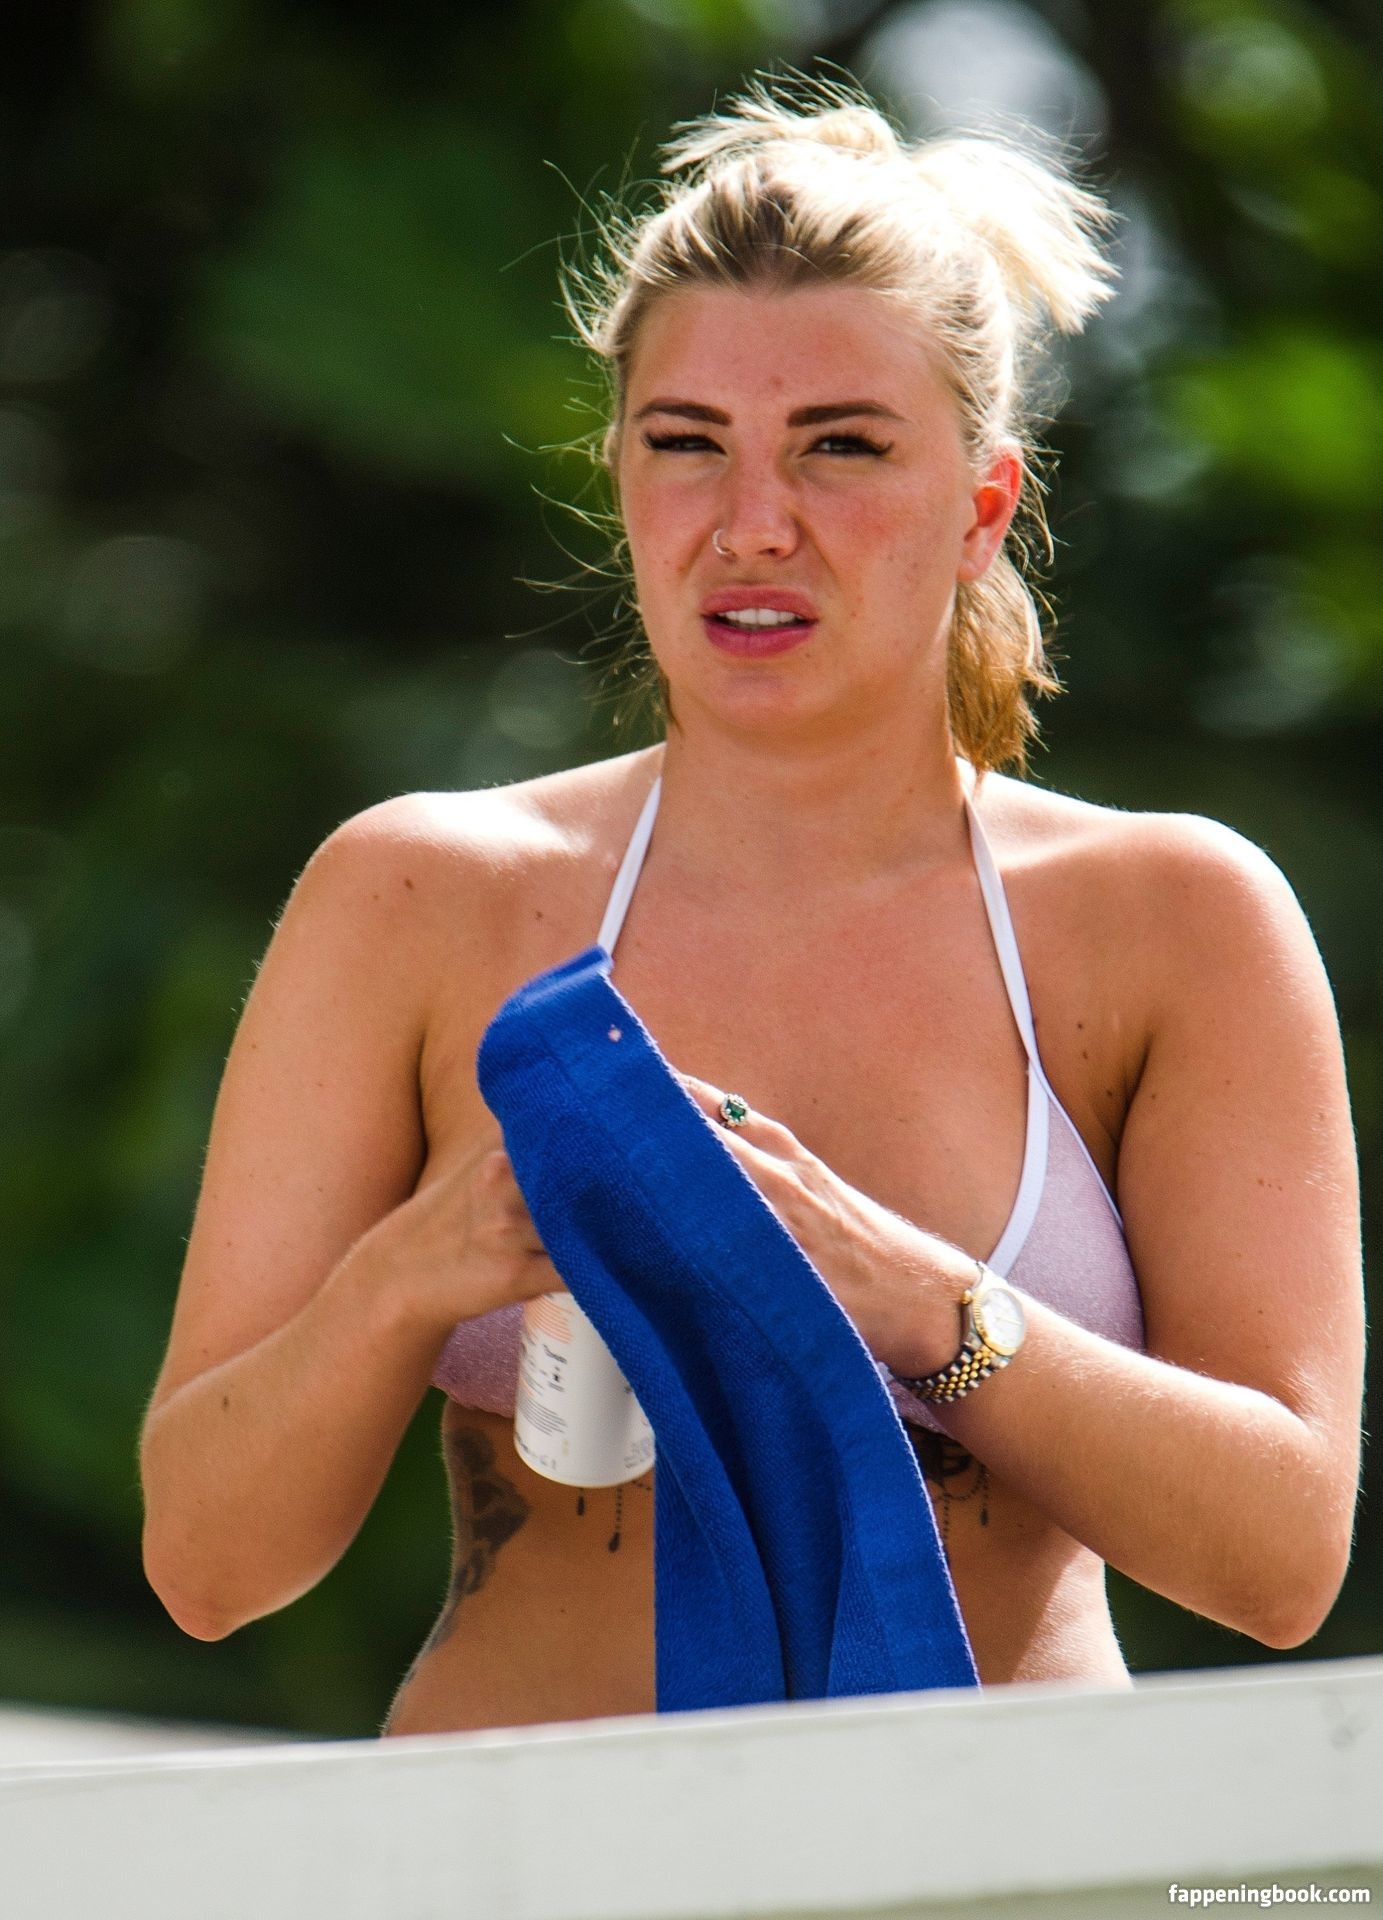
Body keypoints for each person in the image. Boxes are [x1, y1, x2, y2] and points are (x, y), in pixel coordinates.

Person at [138, 74, 1365, 1736]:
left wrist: (922, 1304)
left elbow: (1282, 1559)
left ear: (982, 508)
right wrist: (419, 1268)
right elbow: (210, 1565)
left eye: (841, 448)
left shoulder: (1170, 921)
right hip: (518, 1844)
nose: (754, 525)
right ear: (622, 480)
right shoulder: (417, 894)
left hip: (1010, 1850)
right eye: (687, 445)